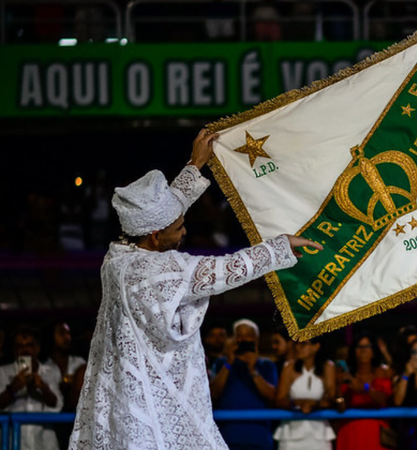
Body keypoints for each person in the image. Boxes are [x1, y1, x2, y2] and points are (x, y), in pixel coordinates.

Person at [68, 129, 322, 449]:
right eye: (178, 227)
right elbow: (228, 270)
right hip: (154, 408)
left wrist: (195, 164)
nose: (185, 229)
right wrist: (280, 248)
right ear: (155, 236)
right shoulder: (162, 272)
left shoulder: (117, 258)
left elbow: (169, 209)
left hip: (124, 407)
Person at [210, 319, 279, 450]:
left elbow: (273, 396)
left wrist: (253, 369)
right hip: (227, 437)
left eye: (248, 336)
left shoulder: (267, 365)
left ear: (256, 340)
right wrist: (228, 363)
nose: (243, 339)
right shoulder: (222, 364)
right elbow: (213, 394)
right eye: (239, 335)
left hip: (259, 438)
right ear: (233, 339)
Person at [0, 326, 62, 450]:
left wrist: (43, 387)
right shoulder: (3, 372)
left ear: (37, 348)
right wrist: (13, 388)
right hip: (13, 443)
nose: (24, 350)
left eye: (29, 345)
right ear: (14, 350)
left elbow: (57, 406)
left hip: (45, 444)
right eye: (19, 346)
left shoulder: (51, 371)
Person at [274, 337, 336, 450]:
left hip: (319, 436)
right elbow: (279, 400)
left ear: (316, 346)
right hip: (290, 436)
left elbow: (331, 398)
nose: (298, 347)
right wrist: (297, 403)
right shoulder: (289, 367)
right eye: (296, 344)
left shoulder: (328, 367)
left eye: (303, 344)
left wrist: (314, 405)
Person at [336, 332, 393, 450]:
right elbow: (341, 407)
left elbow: (383, 401)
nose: (363, 350)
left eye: (367, 346)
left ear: (373, 351)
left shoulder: (381, 372)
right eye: (359, 347)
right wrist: (338, 386)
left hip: (375, 435)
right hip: (351, 434)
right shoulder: (346, 376)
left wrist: (366, 388)